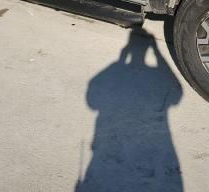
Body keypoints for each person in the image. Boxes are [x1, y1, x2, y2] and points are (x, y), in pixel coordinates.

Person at [76, 30, 183, 191]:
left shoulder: (115, 70)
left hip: (110, 147)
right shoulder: (154, 74)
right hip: (156, 143)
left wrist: (120, 60)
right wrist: (158, 53)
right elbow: (177, 94)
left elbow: (91, 102)